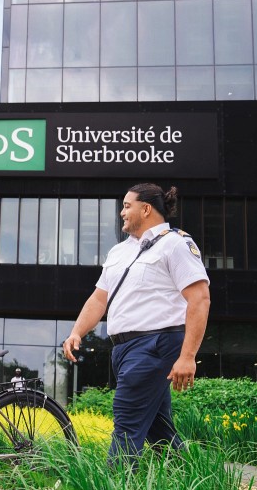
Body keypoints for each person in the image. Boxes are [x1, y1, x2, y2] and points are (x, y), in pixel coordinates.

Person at [61, 183, 210, 465]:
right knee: (158, 429)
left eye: (127, 206)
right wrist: (77, 332)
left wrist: (188, 356)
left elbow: (200, 299)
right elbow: (99, 299)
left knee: (127, 420)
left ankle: (111, 488)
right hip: (123, 349)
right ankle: (197, 478)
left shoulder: (175, 243)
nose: (122, 212)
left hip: (156, 344)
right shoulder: (119, 252)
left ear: (146, 209)